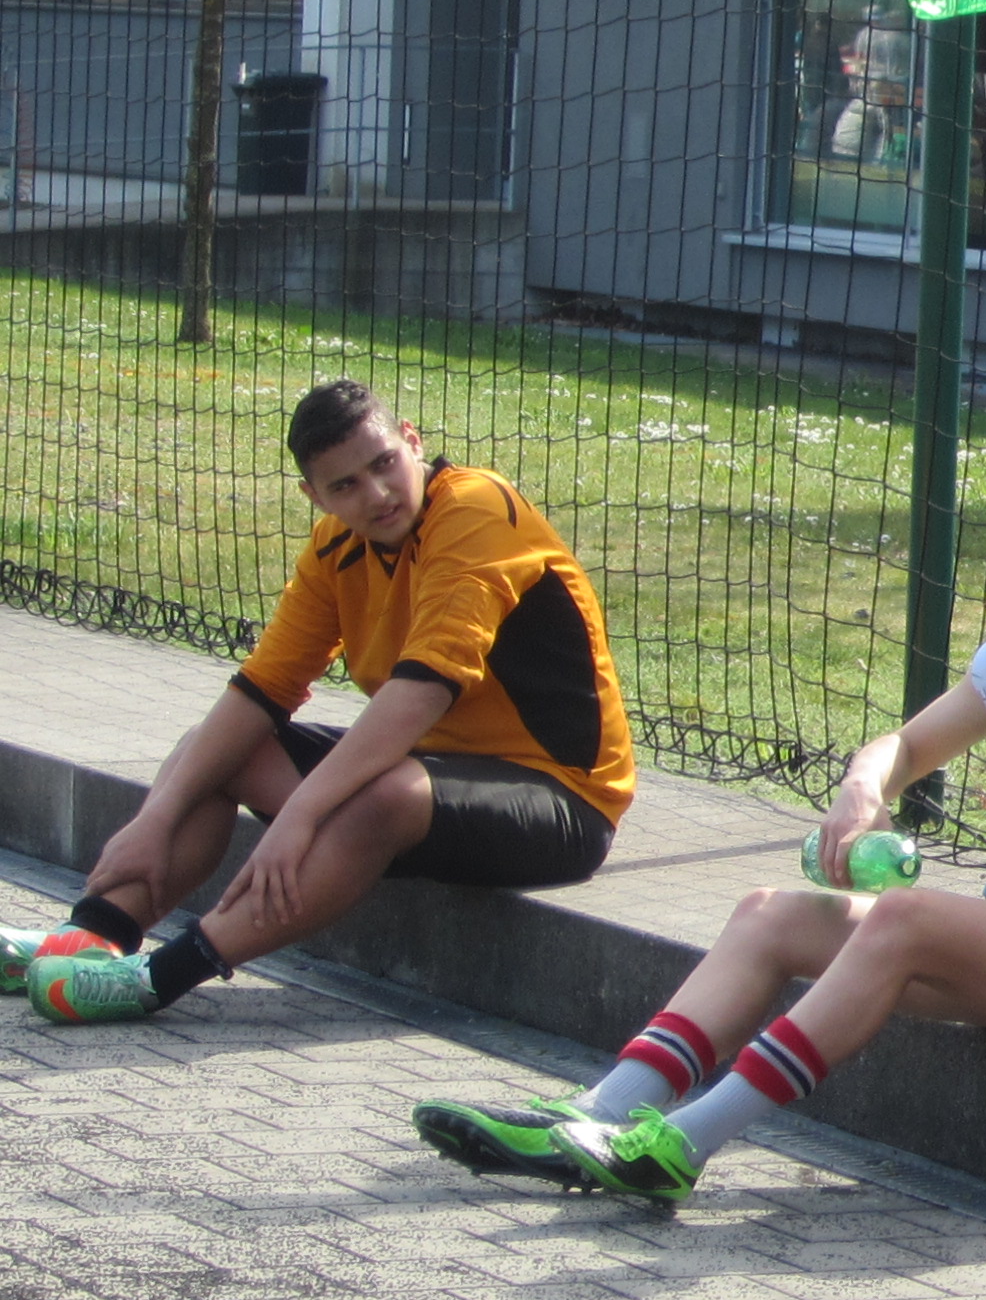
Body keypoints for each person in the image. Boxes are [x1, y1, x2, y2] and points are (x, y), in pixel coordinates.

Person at [413, 472, 986, 1209]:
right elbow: (905, 746)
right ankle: (597, 1116)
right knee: (769, 914)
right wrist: (864, 790)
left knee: (902, 919)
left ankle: (681, 1145)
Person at [8, 381, 635, 1023]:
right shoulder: (336, 547)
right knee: (218, 750)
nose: (377, 494)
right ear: (316, 497)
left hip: (564, 798)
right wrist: (155, 818)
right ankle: (90, 937)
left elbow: (422, 691)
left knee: (382, 796)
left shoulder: (475, 510)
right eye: (346, 485)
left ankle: (156, 979)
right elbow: (262, 688)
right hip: (433, 772)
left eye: (385, 463)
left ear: (413, 442)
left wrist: (300, 816)